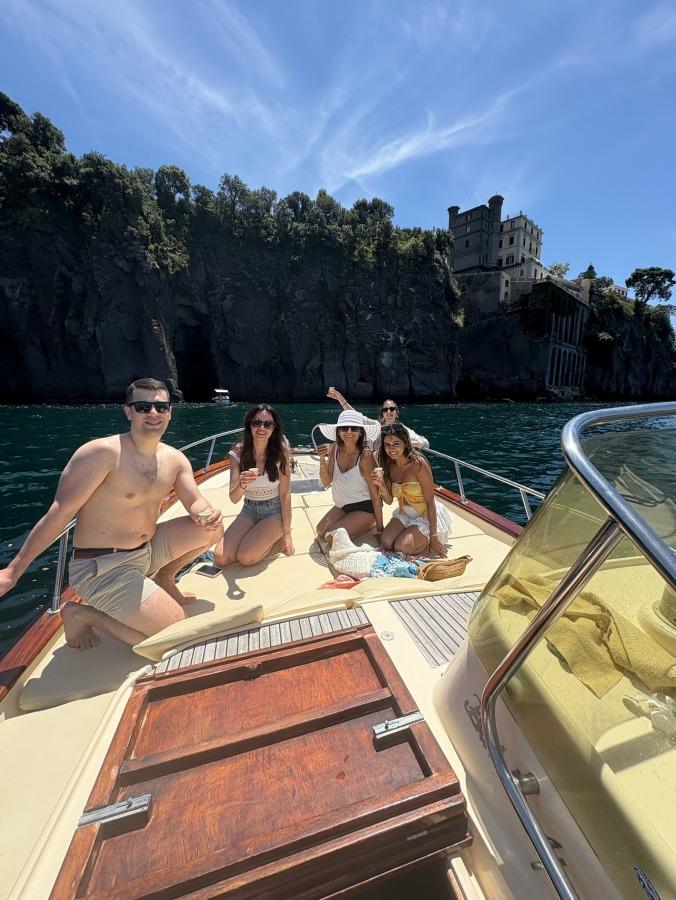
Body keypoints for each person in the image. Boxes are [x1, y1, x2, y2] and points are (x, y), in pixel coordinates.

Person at [0, 378, 224, 650]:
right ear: (129, 412)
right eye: (143, 407)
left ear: (170, 412)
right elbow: (59, 513)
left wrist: (206, 514)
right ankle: (81, 614)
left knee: (213, 529)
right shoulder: (101, 454)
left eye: (161, 407)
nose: (153, 413)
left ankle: (164, 578)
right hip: (103, 566)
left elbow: (195, 501)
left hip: (145, 551)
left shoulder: (175, 459)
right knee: (174, 635)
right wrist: (13, 571)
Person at [213, 404, 294, 567]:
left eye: (268, 424)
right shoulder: (238, 453)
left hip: (274, 512)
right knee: (220, 557)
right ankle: (259, 537)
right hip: (249, 509)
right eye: (257, 422)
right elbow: (234, 498)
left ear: (274, 428)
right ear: (249, 425)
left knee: (246, 557)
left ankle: (274, 535)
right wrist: (242, 484)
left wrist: (287, 534)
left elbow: (285, 494)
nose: (261, 428)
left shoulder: (282, 452)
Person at [373, 423, 450, 557]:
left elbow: (430, 502)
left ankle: (425, 543)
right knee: (386, 542)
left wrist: (433, 536)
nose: (391, 449)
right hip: (405, 513)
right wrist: (381, 485)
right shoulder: (388, 465)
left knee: (401, 547)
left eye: (396, 443)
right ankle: (411, 535)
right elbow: (389, 501)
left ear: (405, 443)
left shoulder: (418, 464)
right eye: (387, 445)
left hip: (425, 515)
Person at [315, 410, 383, 545]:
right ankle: (356, 524)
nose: (349, 432)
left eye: (354, 428)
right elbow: (326, 481)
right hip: (343, 505)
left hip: (365, 508)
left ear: (361, 432)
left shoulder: (365, 456)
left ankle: (371, 523)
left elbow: (376, 495)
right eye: (344, 428)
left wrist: (381, 529)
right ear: (338, 431)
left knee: (331, 537)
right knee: (320, 530)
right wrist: (322, 459)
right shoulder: (334, 448)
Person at [326, 387, 429, 450]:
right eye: (385, 410)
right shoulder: (375, 425)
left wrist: (403, 443)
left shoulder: (402, 429)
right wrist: (340, 398)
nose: (389, 412)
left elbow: (425, 442)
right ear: (382, 414)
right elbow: (355, 415)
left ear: (397, 413)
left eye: (392, 409)